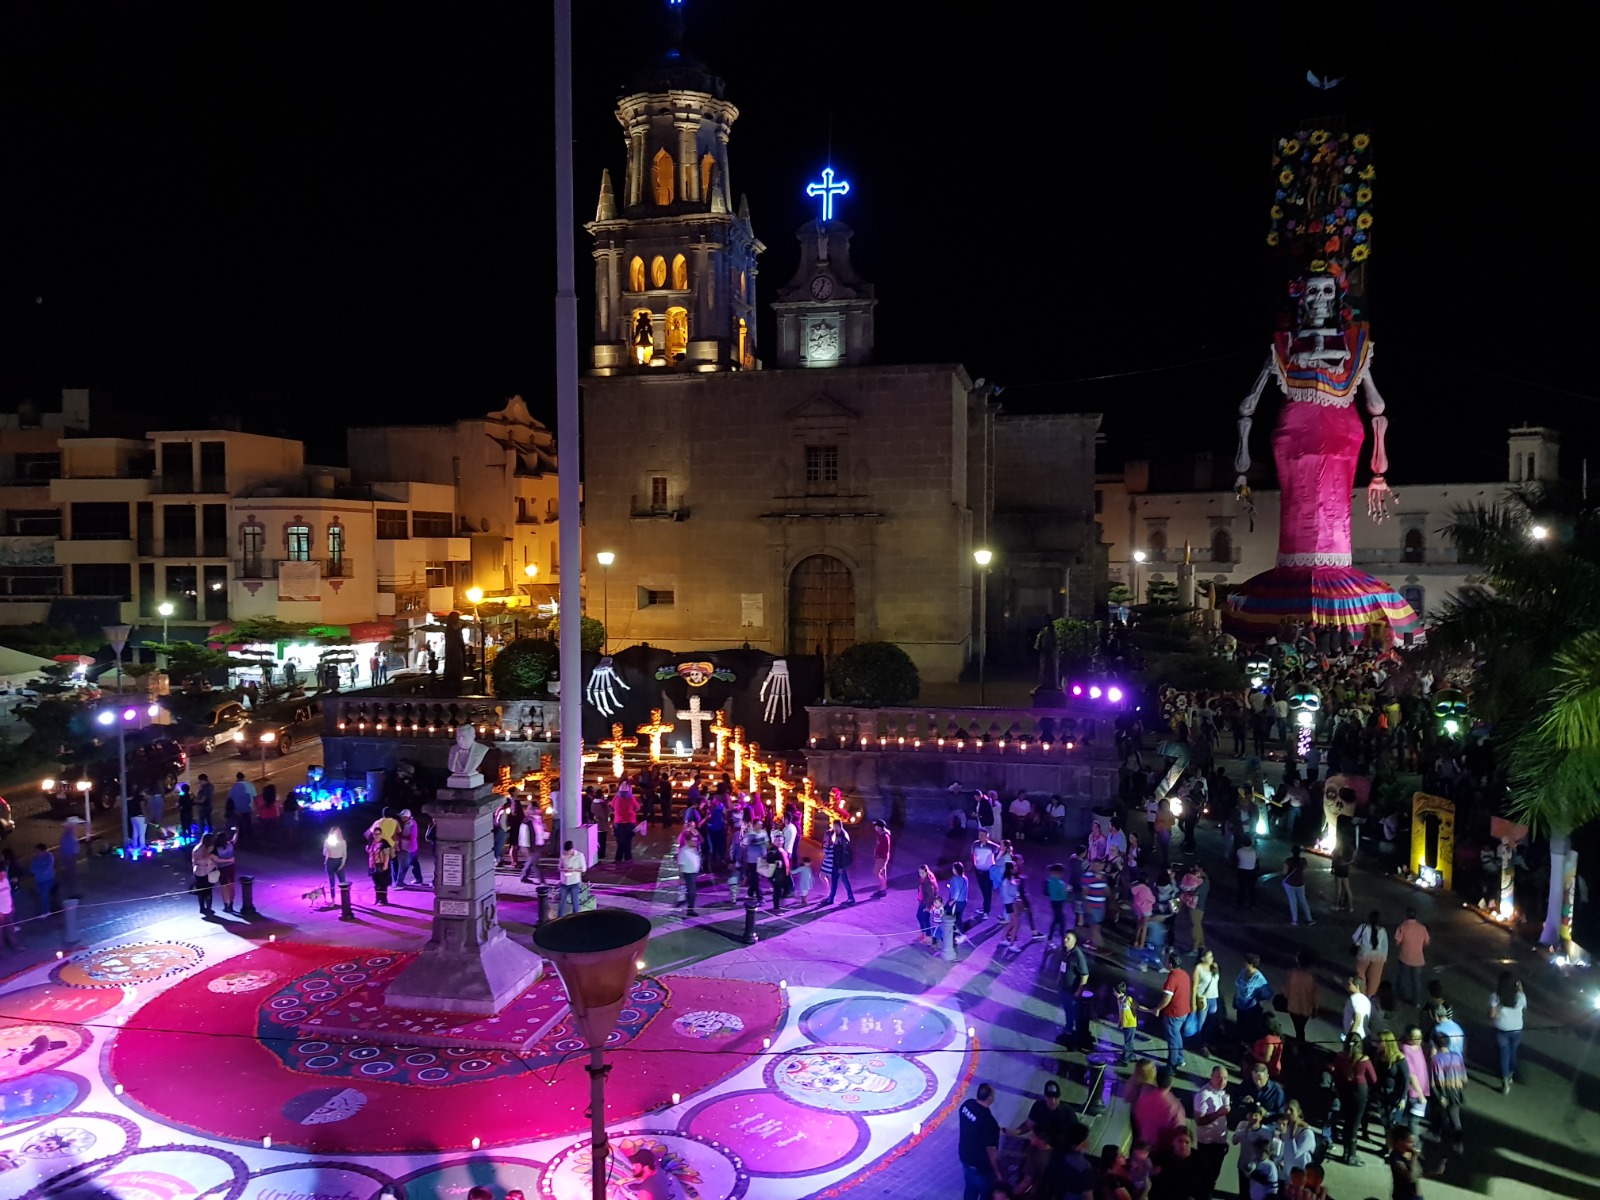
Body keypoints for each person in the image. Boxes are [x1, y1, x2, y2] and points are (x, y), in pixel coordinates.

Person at [1332, 1033, 1378, 1165]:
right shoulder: (1364, 1059)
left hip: (1344, 1090)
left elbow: (1336, 1075)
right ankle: (1351, 1156)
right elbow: (1373, 1079)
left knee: (1347, 1122)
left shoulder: (1340, 1057)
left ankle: (1346, 1153)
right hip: (1359, 1093)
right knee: (1354, 1124)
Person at [1192, 1065, 1232, 1197]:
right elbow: (1199, 1120)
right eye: (1219, 1077)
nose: (1222, 1081)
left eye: (1225, 1078)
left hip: (1219, 1142)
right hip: (1207, 1144)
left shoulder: (1222, 1093)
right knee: (1205, 1176)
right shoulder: (1203, 1094)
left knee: (1214, 1174)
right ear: (1211, 1077)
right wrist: (1219, 1113)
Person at [958, 1082, 1002, 1200]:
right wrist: (997, 1172)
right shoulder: (990, 1123)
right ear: (990, 1099)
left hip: (965, 1158)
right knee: (985, 1193)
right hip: (981, 1166)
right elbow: (991, 1151)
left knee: (970, 1189)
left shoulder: (966, 1105)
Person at [1148, 947, 1190, 1069]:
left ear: (1170, 964)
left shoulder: (1172, 978)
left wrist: (1158, 1008)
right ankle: (1180, 1058)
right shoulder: (1184, 974)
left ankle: (1171, 1064)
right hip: (1184, 1011)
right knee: (1177, 1035)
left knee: (1172, 1038)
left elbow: (1167, 998)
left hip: (1173, 1013)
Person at [1427, 1029, 1466, 1156]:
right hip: (1456, 1091)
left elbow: (1437, 1080)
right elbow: (1464, 1078)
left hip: (1444, 1091)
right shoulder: (1457, 1056)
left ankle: (1436, 1134)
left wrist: (1441, 1096)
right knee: (1455, 1118)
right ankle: (1458, 1144)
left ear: (1436, 1044)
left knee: (1438, 1112)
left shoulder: (1437, 1059)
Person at [1488, 971, 1526, 1093]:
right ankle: (1510, 1075)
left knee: (1504, 1055)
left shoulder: (1496, 996)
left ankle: (1505, 1084)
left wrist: (1497, 1013)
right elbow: (1523, 1007)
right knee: (1513, 1052)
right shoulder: (1520, 996)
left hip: (1502, 1028)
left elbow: (1492, 1015)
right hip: (1517, 1029)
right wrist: (1520, 988)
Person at [1058, 930, 1091, 1049]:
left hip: (1072, 991)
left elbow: (1085, 974)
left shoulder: (1078, 955)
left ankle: (1076, 1035)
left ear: (1074, 941)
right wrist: (1058, 979)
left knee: (1074, 1012)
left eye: (1068, 939)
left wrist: (1079, 991)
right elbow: (1062, 966)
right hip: (1063, 988)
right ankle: (1068, 1030)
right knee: (1067, 1011)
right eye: (1065, 938)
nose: (1065, 940)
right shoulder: (1064, 951)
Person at [1393, 908, 1431, 1006]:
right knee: (1416, 981)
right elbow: (1427, 942)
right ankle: (1416, 1002)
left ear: (1405, 916)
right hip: (1418, 959)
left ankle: (1399, 999)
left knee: (1402, 979)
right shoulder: (1422, 927)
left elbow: (1397, 941)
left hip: (1404, 957)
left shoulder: (1402, 927)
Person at [1234, 953, 1273, 1044]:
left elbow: (1268, 993)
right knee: (1239, 1028)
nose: (1243, 963)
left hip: (1251, 1009)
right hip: (1240, 1005)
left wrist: (1257, 998)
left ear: (1251, 964)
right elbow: (1237, 985)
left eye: (1245, 961)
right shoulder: (1243, 972)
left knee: (1249, 1030)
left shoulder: (1259, 978)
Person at [1190, 948, 1221, 1052]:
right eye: (1210, 956)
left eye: (1212, 956)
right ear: (1203, 958)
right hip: (1203, 999)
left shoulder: (1214, 967)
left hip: (1213, 998)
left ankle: (1207, 1043)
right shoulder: (1198, 968)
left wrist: (1216, 969)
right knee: (1200, 1023)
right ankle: (1198, 1044)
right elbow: (1194, 986)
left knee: (1211, 1023)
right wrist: (1193, 1002)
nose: (1212, 958)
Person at [1353, 909, 1389, 996]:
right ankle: (1371, 995)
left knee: (1361, 972)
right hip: (1379, 957)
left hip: (1364, 954)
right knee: (1375, 978)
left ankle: (1361, 992)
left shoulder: (1363, 927)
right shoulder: (1383, 931)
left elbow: (1355, 938)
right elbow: (1385, 945)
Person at [1285, 950, 1318, 1045]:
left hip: (1293, 1007)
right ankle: (1300, 1044)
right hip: (1306, 1009)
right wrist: (1315, 1009)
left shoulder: (1292, 973)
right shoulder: (1311, 976)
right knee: (1300, 1028)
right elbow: (1314, 994)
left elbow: (1287, 991)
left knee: (1298, 1029)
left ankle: (1299, 1045)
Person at [1386, 1126, 1426, 1200]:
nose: (1413, 1145)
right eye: (1410, 1142)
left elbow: (1419, 1172)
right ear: (1400, 1142)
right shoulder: (1395, 1158)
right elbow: (1410, 1177)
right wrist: (1414, 1157)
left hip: (1414, 1195)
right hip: (1403, 1196)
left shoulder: (1407, 1153)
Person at [824, 818, 856, 904]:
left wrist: (841, 866)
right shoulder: (837, 835)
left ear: (838, 826)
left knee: (844, 880)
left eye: (834, 826)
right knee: (834, 881)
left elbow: (844, 853)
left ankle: (851, 898)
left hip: (840, 864)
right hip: (836, 863)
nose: (833, 828)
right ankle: (831, 898)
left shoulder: (843, 837)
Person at [1281, 844, 1315, 925]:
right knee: (1303, 901)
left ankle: (1294, 920)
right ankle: (1309, 919)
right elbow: (1303, 870)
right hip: (1300, 883)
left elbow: (1284, 872)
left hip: (1290, 883)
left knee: (1293, 901)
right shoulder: (1303, 861)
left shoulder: (1288, 861)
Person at [1178, 863, 1208, 954]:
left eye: (1198, 870)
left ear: (1202, 870)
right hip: (1196, 906)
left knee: (1195, 926)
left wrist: (1186, 890)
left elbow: (1195, 893)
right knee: (1197, 925)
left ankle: (1195, 948)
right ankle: (1201, 945)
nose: (1196, 871)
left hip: (1197, 907)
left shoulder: (1204, 882)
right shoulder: (1202, 880)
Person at [676, 822, 703, 917]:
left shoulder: (693, 849)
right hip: (689, 873)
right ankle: (690, 909)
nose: (695, 843)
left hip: (693, 872)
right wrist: (681, 878)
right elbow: (680, 865)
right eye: (693, 841)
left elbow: (702, 840)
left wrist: (696, 832)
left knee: (691, 890)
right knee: (692, 891)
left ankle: (687, 900)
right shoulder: (684, 851)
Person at [972, 828, 999, 919]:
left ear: (987, 837)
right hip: (978, 871)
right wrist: (975, 864)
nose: (981, 837)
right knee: (983, 890)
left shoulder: (992, 846)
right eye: (980, 835)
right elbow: (973, 855)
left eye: (983, 835)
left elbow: (1001, 852)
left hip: (988, 872)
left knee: (988, 892)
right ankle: (984, 908)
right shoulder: (975, 844)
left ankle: (986, 911)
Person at [191, 834, 218, 916]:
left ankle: (202, 907)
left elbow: (193, 861)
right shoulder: (203, 849)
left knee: (201, 891)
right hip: (204, 872)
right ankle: (208, 908)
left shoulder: (196, 848)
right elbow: (202, 860)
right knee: (208, 891)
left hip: (198, 872)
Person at [613, 781, 639, 862]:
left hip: (618, 822)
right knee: (628, 841)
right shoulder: (631, 798)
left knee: (620, 841)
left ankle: (618, 857)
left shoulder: (616, 798)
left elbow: (612, 806)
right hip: (629, 822)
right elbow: (637, 807)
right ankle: (628, 857)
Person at [558, 840, 586, 916]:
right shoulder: (563, 856)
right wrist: (564, 869)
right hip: (564, 882)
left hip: (574, 882)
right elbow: (559, 867)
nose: (567, 853)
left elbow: (583, 869)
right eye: (566, 851)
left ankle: (575, 918)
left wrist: (573, 869)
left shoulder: (579, 856)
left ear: (572, 849)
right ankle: (559, 918)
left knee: (575, 902)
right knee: (561, 901)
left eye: (569, 851)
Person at [914, 864, 939, 945]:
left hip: (927, 902)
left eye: (922, 873)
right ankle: (923, 932)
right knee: (919, 916)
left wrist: (928, 907)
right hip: (922, 901)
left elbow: (931, 895)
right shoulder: (923, 879)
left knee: (925, 918)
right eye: (919, 873)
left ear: (926, 872)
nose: (920, 874)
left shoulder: (928, 882)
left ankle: (928, 937)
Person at [227, 773, 256, 844]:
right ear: (244, 777)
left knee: (239, 823)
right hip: (248, 808)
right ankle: (249, 836)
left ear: (237, 778)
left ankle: (240, 837)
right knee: (248, 821)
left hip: (238, 809)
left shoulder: (234, 787)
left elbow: (230, 798)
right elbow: (254, 796)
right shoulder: (250, 785)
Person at [1343, 973, 1373, 1042]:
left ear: (1357, 987)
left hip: (1355, 1037)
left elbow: (1358, 1019)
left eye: (1350, 984)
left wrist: (1351, 1037)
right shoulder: (1366, 1000)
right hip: (1361, 1036)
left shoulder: (1355, 998)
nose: (1347, 986)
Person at [213, 829, 238, 912]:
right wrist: (237, 831)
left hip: (222, 869)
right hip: (231, 868)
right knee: (231, 886)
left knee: (224, 887)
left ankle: (226, 905)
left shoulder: (216, 849)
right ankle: (231, 904)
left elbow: (217, 860)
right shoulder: (230, 845)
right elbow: (235, 839)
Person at [367, 831, 394, 905]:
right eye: (375, 834)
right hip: (373, 865)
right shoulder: (371, 843)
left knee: (382, 883)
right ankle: (377, 898)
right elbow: (368, 851)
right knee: (376, 883)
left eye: (378, 834)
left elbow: (387, 855)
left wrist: (385, 865)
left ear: (381, 834)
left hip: (381, 865)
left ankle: (383, 900)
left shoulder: (384, 843)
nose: (377, 836)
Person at [30, 844, 56, 916]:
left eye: (38, 851)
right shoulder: (35, 858)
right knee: (41, 895)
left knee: (45, 895)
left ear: (43, 850)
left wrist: (38, 869)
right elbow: (32, 869)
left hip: (48, 880)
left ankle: (46, 911)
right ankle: (44, 910)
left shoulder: (49, 856)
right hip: (38, 881)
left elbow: (47, 868)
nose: (37, 853)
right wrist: (41, 868)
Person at [0, 860, 19, 952]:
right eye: (0, 875)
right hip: (1, 912)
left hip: (8, 909)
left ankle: (14, 947)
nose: (2, 877)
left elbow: (9, 893)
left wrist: (12, 904)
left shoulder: (6, 881)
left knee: (10, 929)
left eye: (4, 874)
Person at [323, 827, 348, 898]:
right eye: (334, 833)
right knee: (332, 882)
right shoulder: (327, 841)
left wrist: (342, 864)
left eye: (338, 832)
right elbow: (324, 853)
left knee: (342, 881)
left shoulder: (343, 842)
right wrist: (328, 848)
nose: (336, 834)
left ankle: (345, 899)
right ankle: (332, 899)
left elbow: (344, 854)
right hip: (330, 862)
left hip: (339, 861)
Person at [871, 818, 892, 897]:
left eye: (876, 826)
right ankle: (882, 888)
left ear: (880, 827)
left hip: (882, 857)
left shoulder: (884, 837)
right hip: (880, 857)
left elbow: (886, 849)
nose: (875, 828)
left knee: (876, 872)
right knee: (883, 873)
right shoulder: (880, 835)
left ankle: (883, 889)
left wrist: (879, 856)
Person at [1235, 837, 1258, 908]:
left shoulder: (1239, 851)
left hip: (1242, 870)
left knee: (1241, 887)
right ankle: (1252, 903)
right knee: (1251, 888)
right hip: (1251, 870)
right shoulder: (1254, 851)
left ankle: (1240, 902)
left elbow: (1238, 859)